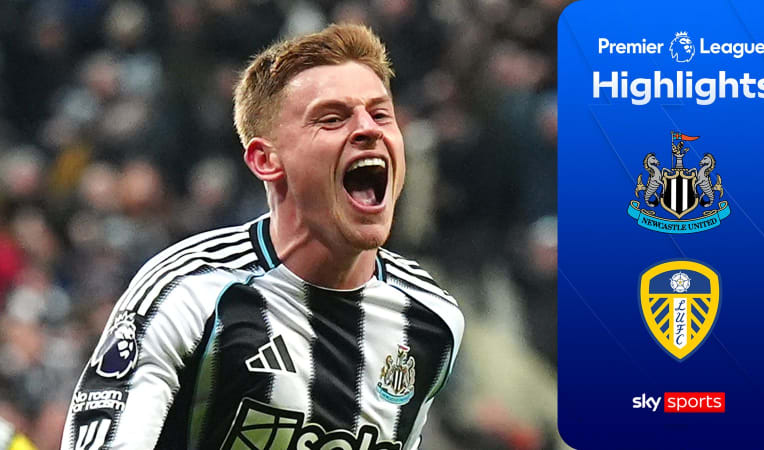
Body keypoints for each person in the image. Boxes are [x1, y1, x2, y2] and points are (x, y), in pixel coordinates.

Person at [60, 24, 464, 450]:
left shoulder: (431, 320)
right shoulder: (190, 292)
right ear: (266, 160)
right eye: (332, 118)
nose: (369, 130)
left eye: (381, 114)